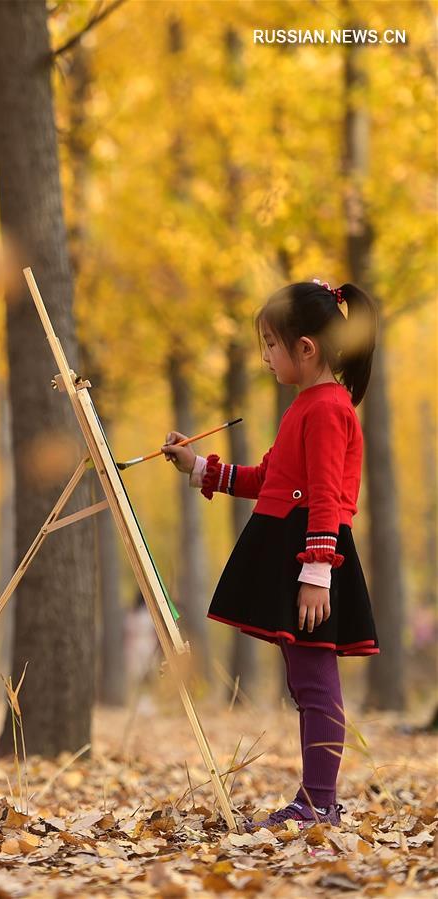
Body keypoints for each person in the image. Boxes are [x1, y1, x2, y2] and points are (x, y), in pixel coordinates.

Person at [161, 279, 380, 832]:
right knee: (305, 681)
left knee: (314, 683)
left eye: (269, 344)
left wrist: (315, 575)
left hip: (312, 558)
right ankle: (317, 799)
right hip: (299, 553)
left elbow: (328, 497)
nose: (263, 357)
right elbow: (269, 479)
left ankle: (320, 802)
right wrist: (199, 468)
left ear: (305, 348)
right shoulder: (308, 405)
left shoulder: (329, 408)